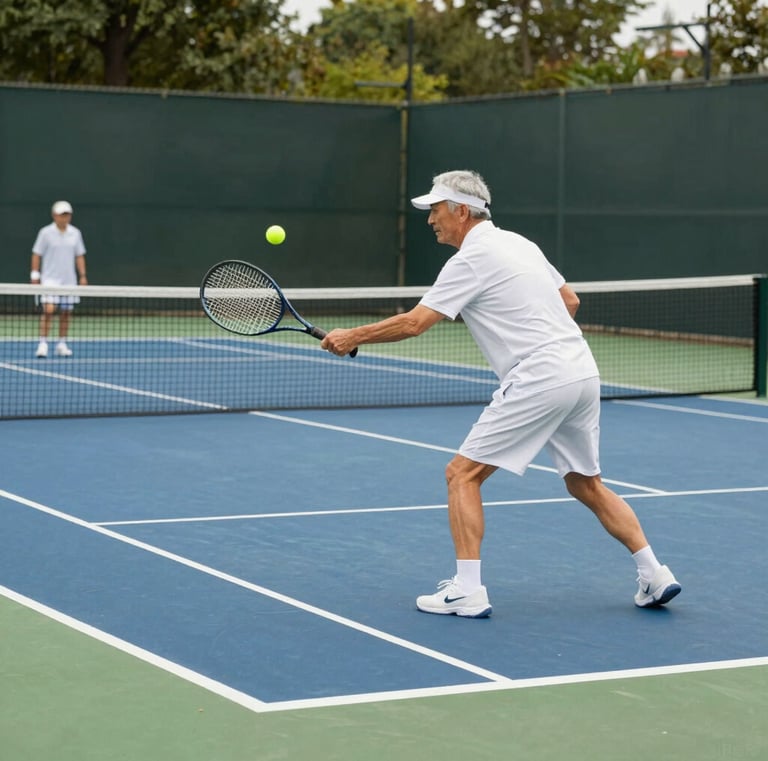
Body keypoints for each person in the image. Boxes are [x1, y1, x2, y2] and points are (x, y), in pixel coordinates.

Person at [321, 169, 681, 618]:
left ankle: (467, 590)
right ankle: (654, 573)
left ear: (462, 211)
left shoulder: (470, 259)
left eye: (436, 209)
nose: (430, 219)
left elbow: (414, 323)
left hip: (540, 376)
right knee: (585, 483)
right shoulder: (520, 243)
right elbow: (570, 302)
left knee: (462, 475)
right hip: (581, 370)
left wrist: (352, 335)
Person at [30, 200, 88, 358]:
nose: (65, 218)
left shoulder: (75, 233)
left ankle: (62, 343)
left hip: (69, 280)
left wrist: (83, 276)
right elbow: (36, 254)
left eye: (67, 215)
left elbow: (79, 255)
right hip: (50, 279)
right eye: (62, 215)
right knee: (49, 310)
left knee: (66, 312)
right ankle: (43, 343)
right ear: (54, 215)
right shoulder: (45, 233)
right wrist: (35, 274)